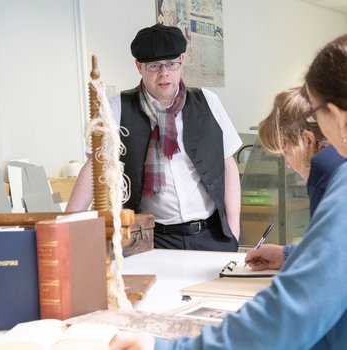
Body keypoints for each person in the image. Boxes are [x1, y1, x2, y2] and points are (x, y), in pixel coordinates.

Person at [110, 33, 347, 349]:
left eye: (317, 113)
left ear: (336, 117)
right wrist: (292, 255)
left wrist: (163, 346)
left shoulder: (342, 186)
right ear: (140, 68)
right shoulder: (120, 108)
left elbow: (289, 317)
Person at [66, 24, 242, 252]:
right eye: (154, 66)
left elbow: (227, 166)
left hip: (211, 234)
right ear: (139, 66)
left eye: (171, 64)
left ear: (182, 60)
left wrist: (234, 229)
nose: (164, 73)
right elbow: (94, 168)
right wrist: (65, 228)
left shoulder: (208, 102)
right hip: (151, 238)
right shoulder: (117, 107)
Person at [246, 86, 345, 271]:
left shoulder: (326, 169)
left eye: (286, 151)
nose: (289, 164)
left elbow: (328, 267)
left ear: (308, 140)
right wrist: (286, 255)